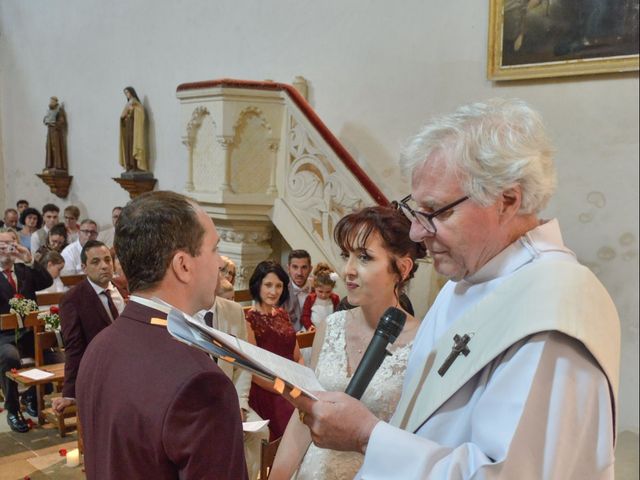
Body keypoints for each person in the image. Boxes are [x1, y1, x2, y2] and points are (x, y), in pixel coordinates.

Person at [289, 99, 620, 479]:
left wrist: (367, 437)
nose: (416, 232)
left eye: (438, 212)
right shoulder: (467, 281)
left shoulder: (556, 305)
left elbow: (510, 473)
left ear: (507, 201)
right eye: (417, 210)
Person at [76, 191, 247, 479]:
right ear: (183, 265)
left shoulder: (99, 346)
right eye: (214, 249)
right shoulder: (201, 382)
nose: (220, 263)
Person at [271, 206, 426, 479]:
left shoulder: (423, 342)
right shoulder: (330, 327)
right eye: (346, 255)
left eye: (364, 258)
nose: (347, 270)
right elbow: (304, 417)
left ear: (401, 268)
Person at [195, 269, 269, 480]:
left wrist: (240, 404)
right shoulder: (182, 313)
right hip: (199, 405)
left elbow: (243, 364)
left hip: (231, 398)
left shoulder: (233, 310)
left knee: (259, 433)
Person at [52, 240, 125, 415]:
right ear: (84, 268)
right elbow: (74, 346)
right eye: (96, 262)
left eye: (108, 260)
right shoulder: (73, 299)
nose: (104, 266)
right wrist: (70, 393)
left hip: (127, 367)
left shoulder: (120, 289)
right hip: (99, 372)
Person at [0, 227, 52, 433]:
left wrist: (29, 259)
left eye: (9, 245)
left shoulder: (23, 271)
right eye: (0, 245)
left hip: (30, 333)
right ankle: (13, 409)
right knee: (10, 358)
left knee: (56, 358)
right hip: (3, 337)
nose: (4, 250)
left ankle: (32, 396)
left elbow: (46, 281)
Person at [245, 260, 303, 440]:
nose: (274, 291)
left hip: (291, 385)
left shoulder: (283, 315)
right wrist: (285, 390)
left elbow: (297, 356)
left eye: (278, 286)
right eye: (268, 285)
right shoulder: (248, 320)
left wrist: (298, 384)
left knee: (311, 418)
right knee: (294, 427)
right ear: (258, 285)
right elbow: (252, 371)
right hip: (267, 389)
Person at [299, 262, 340, 331]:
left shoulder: (335, 299)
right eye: (320, 291)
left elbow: (338, 316)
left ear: (332, 288)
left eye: (328, 292)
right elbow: (305, 316)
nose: (324, 295)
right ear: (315, 287)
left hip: (328, 331)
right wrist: (310, 327)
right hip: (311, 331)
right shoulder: (310, 298)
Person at [119, 87, 147, 172]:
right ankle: (129, 165)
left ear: (132, 92)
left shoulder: (135, 103)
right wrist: (123, 118)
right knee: (127, 145)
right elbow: (123, 115)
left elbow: (140, 112)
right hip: (128, 127)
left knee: (133, 144)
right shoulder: (128, 103)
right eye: (125, 93)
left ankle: (135, 165)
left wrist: (133, 110)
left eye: (127, 92)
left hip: (133, 128)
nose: (127, 95)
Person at [285, 249, 313, 331]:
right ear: (288, 268)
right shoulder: (281, 291)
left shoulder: (320, 290)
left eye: (304, 267)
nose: (299, 273)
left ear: (310, 269)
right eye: (295, 267)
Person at [43, 96, 67, 172]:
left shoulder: (59, 109)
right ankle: (50, 165)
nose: (50, 102)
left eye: (52, 101)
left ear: (55, 102)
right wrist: (46, 121)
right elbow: (45, 119)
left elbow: (62, 121)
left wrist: (55, 124)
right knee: (49, 147)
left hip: (56, 132)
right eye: (50, 101)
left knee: (55, 147)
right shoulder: (49, 110)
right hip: (50, 130)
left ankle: (58, 165)